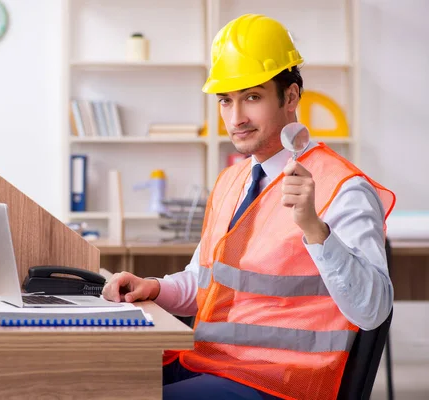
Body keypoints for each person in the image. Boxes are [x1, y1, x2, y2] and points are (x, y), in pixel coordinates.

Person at [102, 13, 396, 400]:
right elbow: (203, 284)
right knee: (96, 382)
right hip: (212, 363)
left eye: (252, 97)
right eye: (226, 101)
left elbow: (373, 309)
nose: (235, 118)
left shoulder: (342, 188)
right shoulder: (232, 181)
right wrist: (154, 287)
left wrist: (315, 230)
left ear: (290, 97)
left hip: (281, 381)